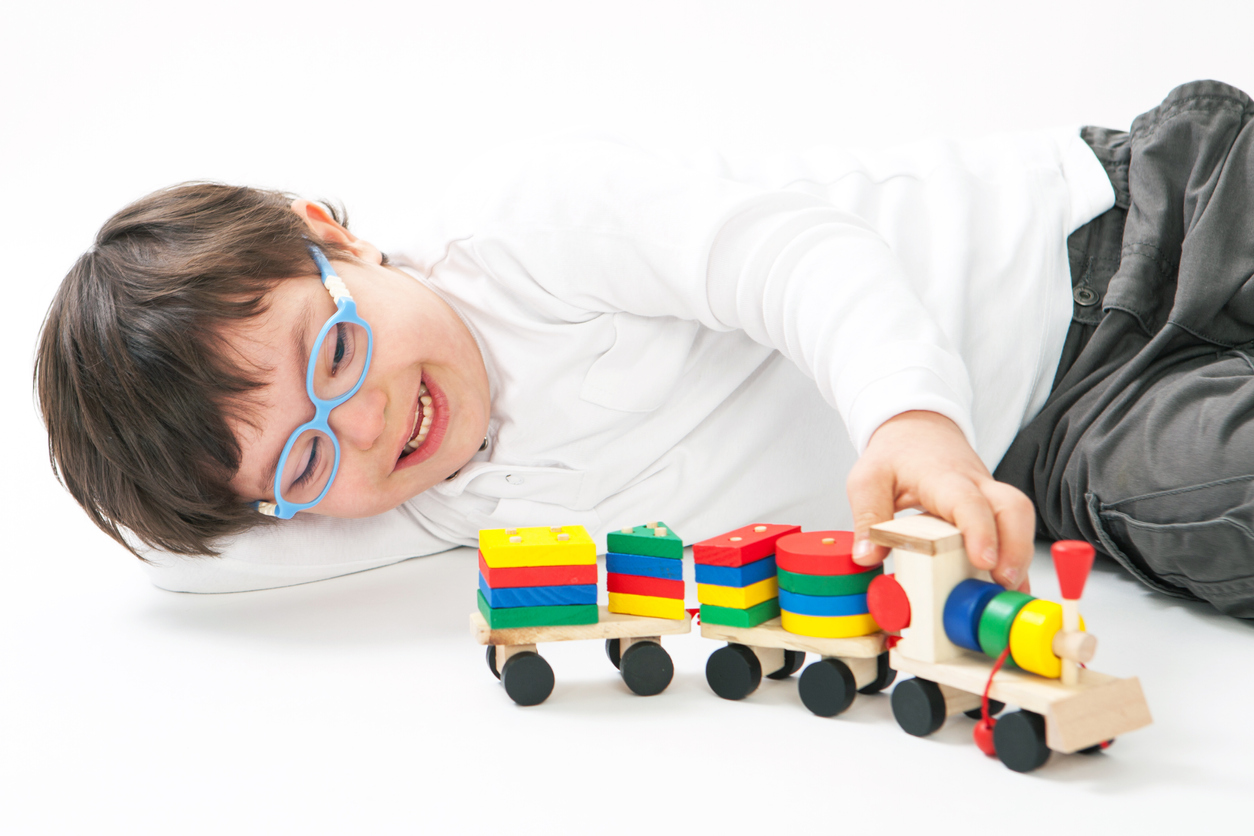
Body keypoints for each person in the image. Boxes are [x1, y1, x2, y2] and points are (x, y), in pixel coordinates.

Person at [34, 81, 1253, 617]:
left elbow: (795, 260)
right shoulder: (411, 502)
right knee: (1216, 497)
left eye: (333, 351)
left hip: (1114, 222)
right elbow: (184, 567)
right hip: (1066, 438)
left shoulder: (527, 228)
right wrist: (244, 490)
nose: (358, 425)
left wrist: (907, 419)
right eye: (298, 463)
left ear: (332, 234)